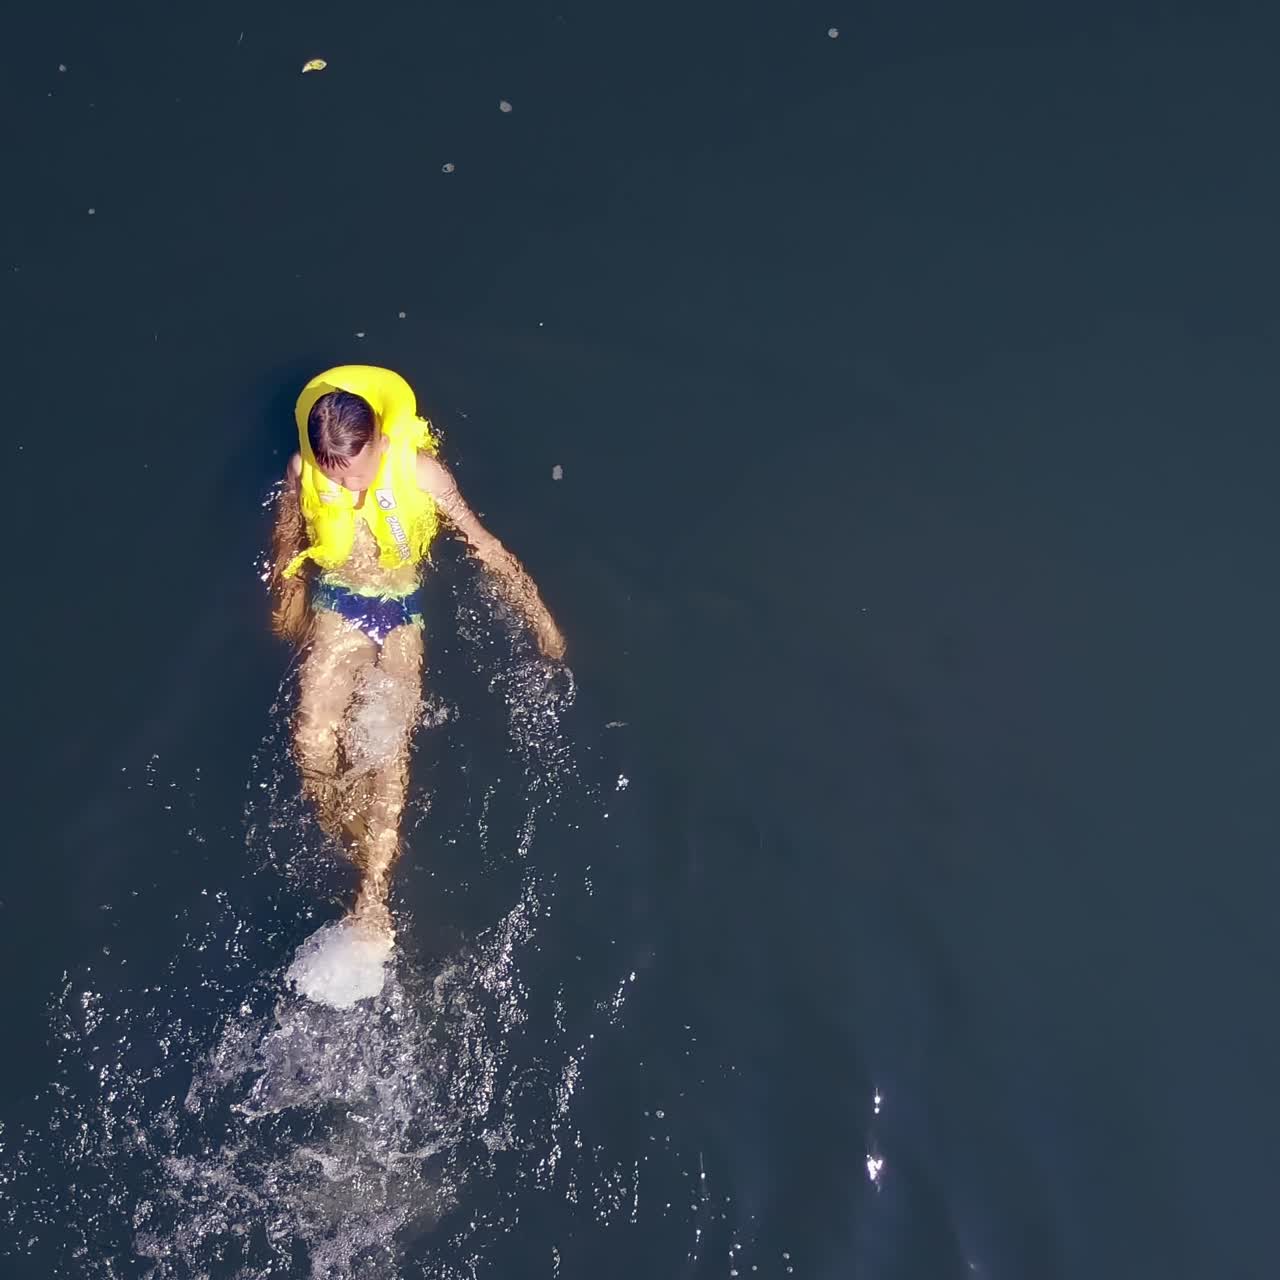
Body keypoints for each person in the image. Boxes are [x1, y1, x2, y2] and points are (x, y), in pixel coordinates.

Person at [268, 365, 565, 938]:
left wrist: (539, 617)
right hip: (339, 604)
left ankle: (372, 895)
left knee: (388, 748)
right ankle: (351, 834)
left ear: (380, 440)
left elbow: (483, 543)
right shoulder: (304, 468)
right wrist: (289, 591)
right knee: (310, 736)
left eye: (361, 474)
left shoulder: (423, 474)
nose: (353, 490)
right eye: (341, 479)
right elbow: (288, 530)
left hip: (401, 612)